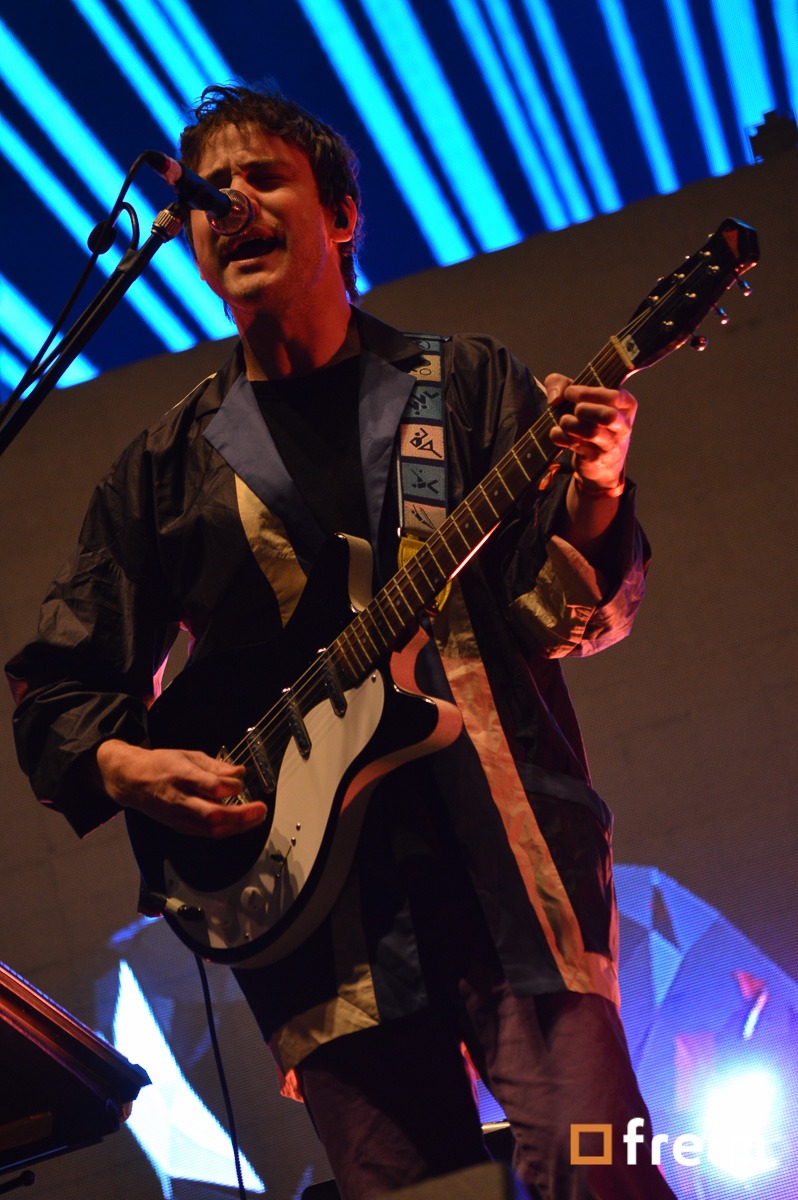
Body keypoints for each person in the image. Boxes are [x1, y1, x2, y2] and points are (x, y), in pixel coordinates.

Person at [6, 85, 677, 1200]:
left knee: (609, 1171)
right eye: (211, 193)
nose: (232, 203)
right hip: (308, 924)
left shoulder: (467, 385)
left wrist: (596, 491)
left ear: (343, 216)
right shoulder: (164, 470)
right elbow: (61, 686)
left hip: (511, 871)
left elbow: (561, 618)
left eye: (264, 177)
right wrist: (129, 765)